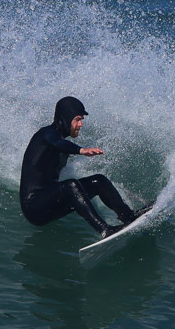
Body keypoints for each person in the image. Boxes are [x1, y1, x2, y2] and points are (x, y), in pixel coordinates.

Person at [19, 96, 148, 239]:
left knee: (98, 181)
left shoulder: (61, 142)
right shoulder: (46, 135)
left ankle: (128, 216)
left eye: (81, 120)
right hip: (34, 207)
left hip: (50, 203)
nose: (80, 124)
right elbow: (58, 143)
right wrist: (82, 150)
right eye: (77, 120)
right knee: (71, 185)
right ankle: (105, 230)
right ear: (66, 118)